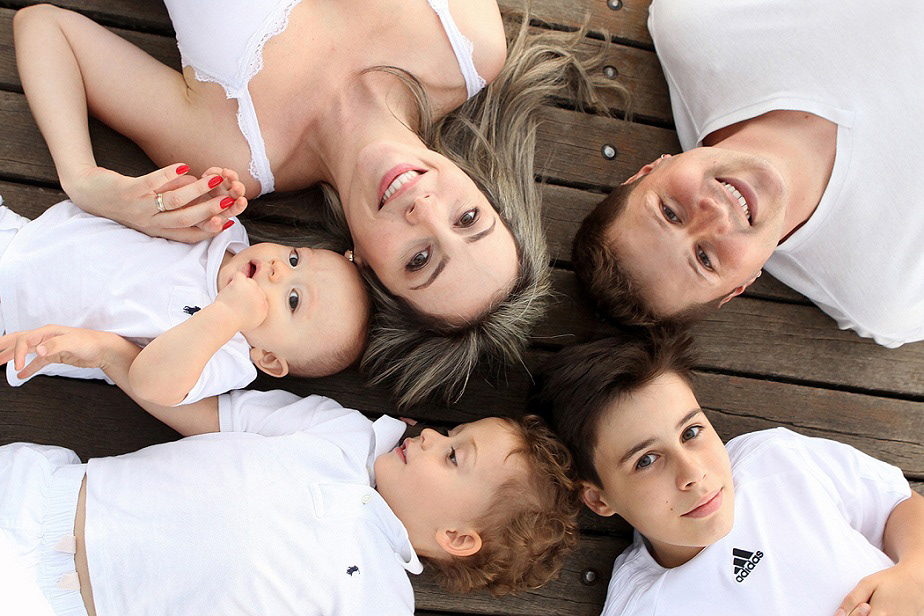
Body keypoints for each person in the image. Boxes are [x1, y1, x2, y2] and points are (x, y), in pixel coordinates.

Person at [13, 2, 623, 407]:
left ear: (362, 263)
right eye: (469, 219)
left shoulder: (230, 150)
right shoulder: (469, 42)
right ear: (485, 191)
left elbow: (45, 29)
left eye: (419, 260)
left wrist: (86, 181)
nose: (425, 209)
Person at [0, 325, 580, 616]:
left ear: (456, 537)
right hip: (39, 499)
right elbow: (201, 413)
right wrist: (109, 354)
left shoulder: (378, 603)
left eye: (453, 455)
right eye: (451, 433)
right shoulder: (343, 433)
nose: (430, 435)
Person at [572, 0, 924, 348]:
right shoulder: (890, 293)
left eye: (670, 213)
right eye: (704, 259)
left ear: (647, 171)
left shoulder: (701, 24)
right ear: (740, 286)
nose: (714, 215)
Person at [529, 331, 924, 615]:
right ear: (598, 498)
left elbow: (895, 503)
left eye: (691, 432)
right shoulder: (644, 605)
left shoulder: (774, 460)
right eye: (646, 460)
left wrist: (914, 575)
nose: (693, 472)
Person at [0, 173, 370, 406]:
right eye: (294, 259)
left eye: (293, 299)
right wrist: (201, 195)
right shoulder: (226, 234)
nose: (278, 270)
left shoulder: (229, 354)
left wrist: (226, 314)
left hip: (16, 321)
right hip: (21, 233)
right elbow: (160, 208)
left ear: (269, 358)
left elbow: (150, 384)